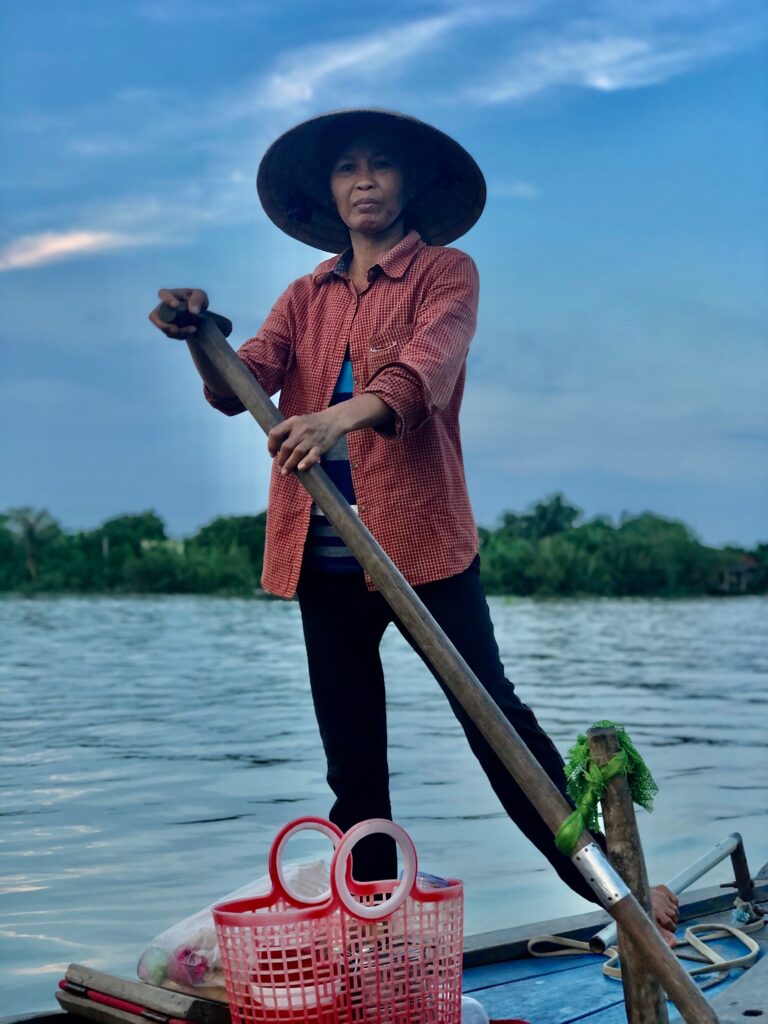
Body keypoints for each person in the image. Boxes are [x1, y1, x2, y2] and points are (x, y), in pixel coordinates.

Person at [149, 109, 678, 942]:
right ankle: (377, 939)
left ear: (408, 184)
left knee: (495, 727)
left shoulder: (447, 275)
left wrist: (333, 421)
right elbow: (238, 383)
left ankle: (620, 892)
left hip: (423, 548)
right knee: (353, 769)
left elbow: (420, 378)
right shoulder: (304, 296)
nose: (364, 180)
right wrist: (195, 332)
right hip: (322, 558)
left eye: (381, 165)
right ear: (329, 190)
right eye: (347, 168)